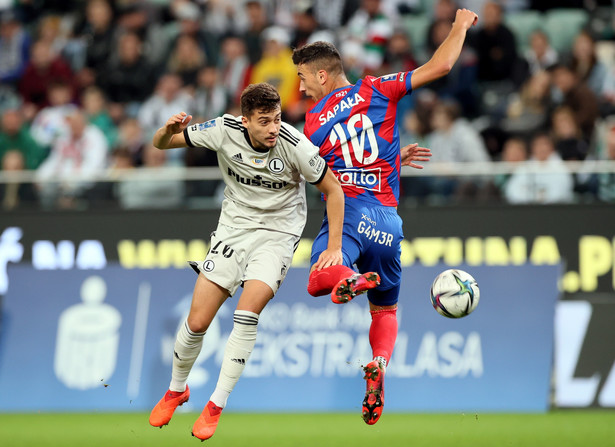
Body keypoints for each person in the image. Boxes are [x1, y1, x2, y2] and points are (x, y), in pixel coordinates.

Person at [291, 7, 477, 425]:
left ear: (322, 75)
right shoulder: (379, 88)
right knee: (386, 311)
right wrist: (460, 25)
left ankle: (349, 279)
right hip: (389, 222)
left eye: (303, 79)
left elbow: (331, 171)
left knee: (318, 279)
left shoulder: (314, 122)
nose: (300, 89)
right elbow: (442, 65)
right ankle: (379, 363)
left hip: (351, 215)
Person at [148, 83, 346, 440]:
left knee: (246, 312)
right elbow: (160, 145)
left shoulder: (295, 145)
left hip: (277, 235)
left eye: (278, 119)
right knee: (196, 322)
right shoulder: (223, 130)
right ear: (245, 121)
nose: (274, 128)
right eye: (265, 121)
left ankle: (215, 406)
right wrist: (167, 131)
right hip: (233, 231)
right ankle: (177, 389)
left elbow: (334, 190)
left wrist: (334, 247)